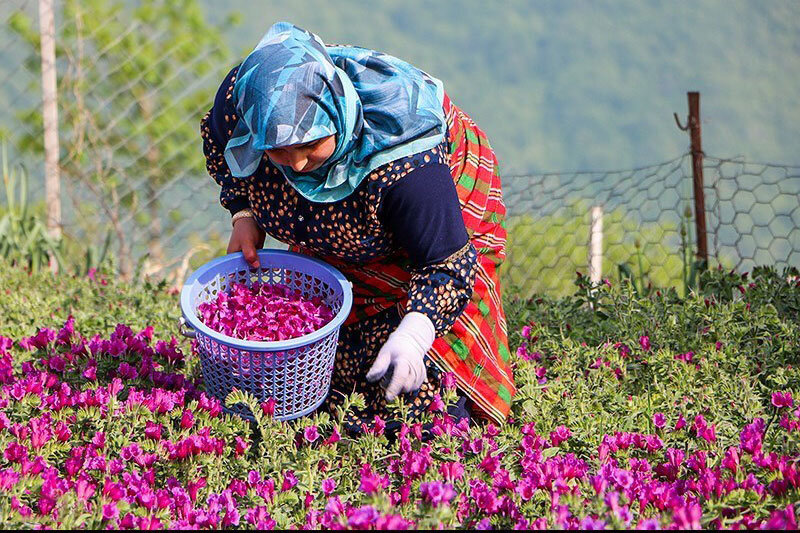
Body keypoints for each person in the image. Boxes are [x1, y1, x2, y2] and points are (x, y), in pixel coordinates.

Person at [201, 22, 515, 431]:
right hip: (353, 216)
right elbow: (222, 150)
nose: (295, 164)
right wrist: (244, 215)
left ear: (337, 120)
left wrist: (416, 335)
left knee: (428, 365)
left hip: (439, 201)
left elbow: (447, 264)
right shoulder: (244, 103)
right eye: (278, 150)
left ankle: (449, 413)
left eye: (311, 145)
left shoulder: (406, 162)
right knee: (330, 343)